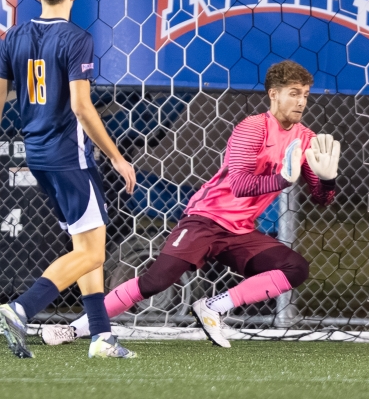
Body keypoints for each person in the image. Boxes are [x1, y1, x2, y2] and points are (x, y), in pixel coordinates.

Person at [42, 59, 340, 348]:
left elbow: (321, 199)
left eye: (305, 94)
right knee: (154, 282)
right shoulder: (253, 128)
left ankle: (212, 307)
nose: (301, 101)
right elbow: (240, 185)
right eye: (294, 93)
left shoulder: (305, 138)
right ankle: (74, 328)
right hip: (206, 219)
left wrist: (327, 180)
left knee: (295, 268)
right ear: (274, 94)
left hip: (239, 231)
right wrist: (281, 181)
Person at [0, 0, 137, 359]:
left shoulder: (14, 37)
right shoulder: (78, 38)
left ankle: (101, 337)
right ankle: (19, 308)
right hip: (70, 156)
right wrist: (117, 157)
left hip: (37, 154)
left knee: (84, 243)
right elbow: (81, 106)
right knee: (93, 251)